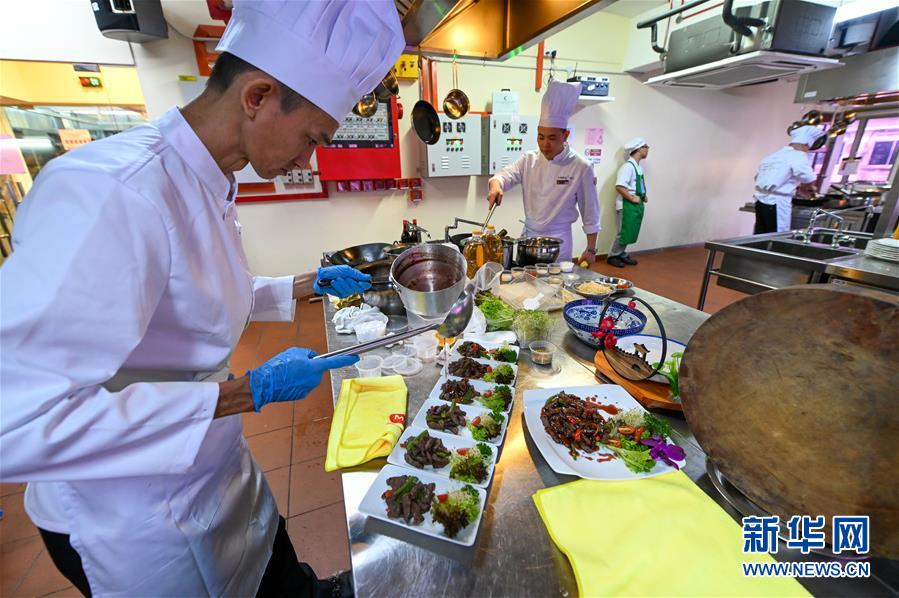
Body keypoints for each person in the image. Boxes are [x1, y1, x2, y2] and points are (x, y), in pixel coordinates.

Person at [0, 1, 403, 596]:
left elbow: (188, 302)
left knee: (278, 576)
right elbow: (18, 419)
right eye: (311, 138)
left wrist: (303, 284)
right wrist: (245, 392)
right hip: (136, 518)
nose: (307, 160)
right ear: (258, 96)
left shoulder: (210, 177)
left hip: (216, 473)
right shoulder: (111, 194)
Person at [486, 80, 600, 264]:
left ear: (565, 135)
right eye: (541, 137)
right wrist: (496, 185)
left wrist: (591, 248)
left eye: (552, 138)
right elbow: (503, 176)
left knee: (555, 282)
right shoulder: (528, 160)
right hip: (528, 241)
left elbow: (591, 212)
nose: (545, 144)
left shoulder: (581, 167)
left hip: (558, 243)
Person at [753, 125, 826, 233]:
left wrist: (799, 187)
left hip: (760, 200)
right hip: (777, 203)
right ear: (806, 144)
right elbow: (808, 177)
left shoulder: (773, 156)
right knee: (776, 235)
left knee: (760, 234)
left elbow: (758, 177)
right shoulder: (798, 155)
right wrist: (810, 188)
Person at [607, 137, 649, 268]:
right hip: (626, 205)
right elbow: (619, 186)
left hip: (635, 205)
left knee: (630, 231)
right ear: (639, 149)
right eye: (646, 147)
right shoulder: (627, 167)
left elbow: (637, 185)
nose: (647, 150)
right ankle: (613, 256)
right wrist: (631, 198)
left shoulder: (637, 167)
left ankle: (621, 254)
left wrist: (643, 196)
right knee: (623, 232)